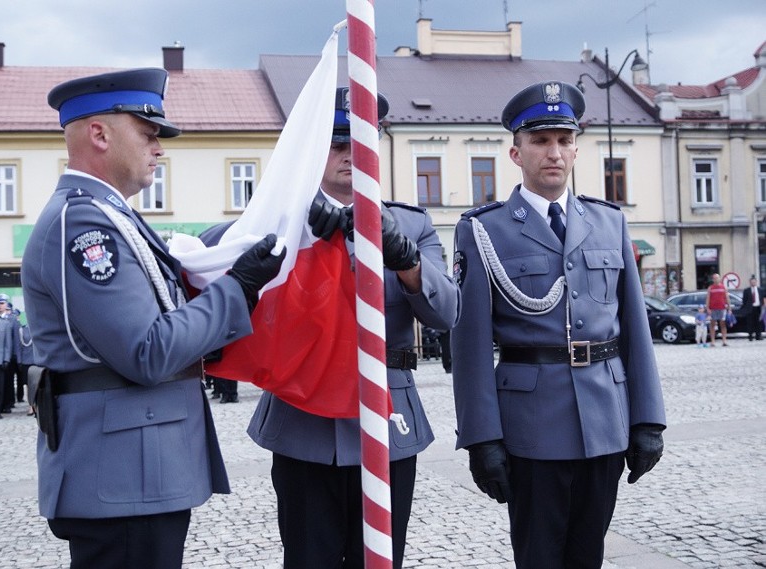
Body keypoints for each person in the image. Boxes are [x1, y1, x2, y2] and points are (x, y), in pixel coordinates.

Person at [21, 67, 285, 569]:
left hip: (134, 469)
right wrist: (239, 286)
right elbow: (147, 351)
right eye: (147, 134)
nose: (159, 148)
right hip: (121, 473)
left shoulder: (109, 213)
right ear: (99, 133)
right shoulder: (83, 221)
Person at [204, 87, 460, 568]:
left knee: (382, 560)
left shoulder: (409, 223)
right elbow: (216, 256)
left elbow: (446, 313)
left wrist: (403, 257)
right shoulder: (283, 218)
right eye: (336, 144)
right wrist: (292, 218)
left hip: (387, 415)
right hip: (305, 418)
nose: (349, 156)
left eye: (359, 143)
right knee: (309, 558)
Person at [451, 81, 666, 569]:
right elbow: (470, 348)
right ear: (516, 151)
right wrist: (482, 437)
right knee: (539, 557)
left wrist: (648, 419)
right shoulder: (484, 230)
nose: (554, 152)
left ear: (576, 148)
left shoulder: (609, 222)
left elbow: (635, 328)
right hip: (531, 428)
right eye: (541, 140)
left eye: (564, 140)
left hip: (605, 422)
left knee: (587, 555)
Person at [706, 273, 731, 346]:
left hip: (722, 308)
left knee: (723, 324)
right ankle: (713, 341)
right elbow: (708, 298)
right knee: (712, 325)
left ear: (720, 278)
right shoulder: (710, 288)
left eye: (717, 278)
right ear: (713, 279)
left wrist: (729, 308)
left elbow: (727, 298)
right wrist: (707, 308)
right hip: (713, 309)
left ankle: (724, 341)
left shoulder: (723, 287)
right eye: (714, 278)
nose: (716, 279)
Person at [741, 275, 764, 341]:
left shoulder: (760, 290)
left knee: (758, 322)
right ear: (750, 282)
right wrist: (745, 308)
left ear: (756, 282)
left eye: (754, 282)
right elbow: (744, 300)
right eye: (752, 282)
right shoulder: (746, 290)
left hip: (758, 308)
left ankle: (758, 336)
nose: (753, 283)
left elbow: (762, 299)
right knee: (750, 323)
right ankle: (750, 336)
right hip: (750, 309)